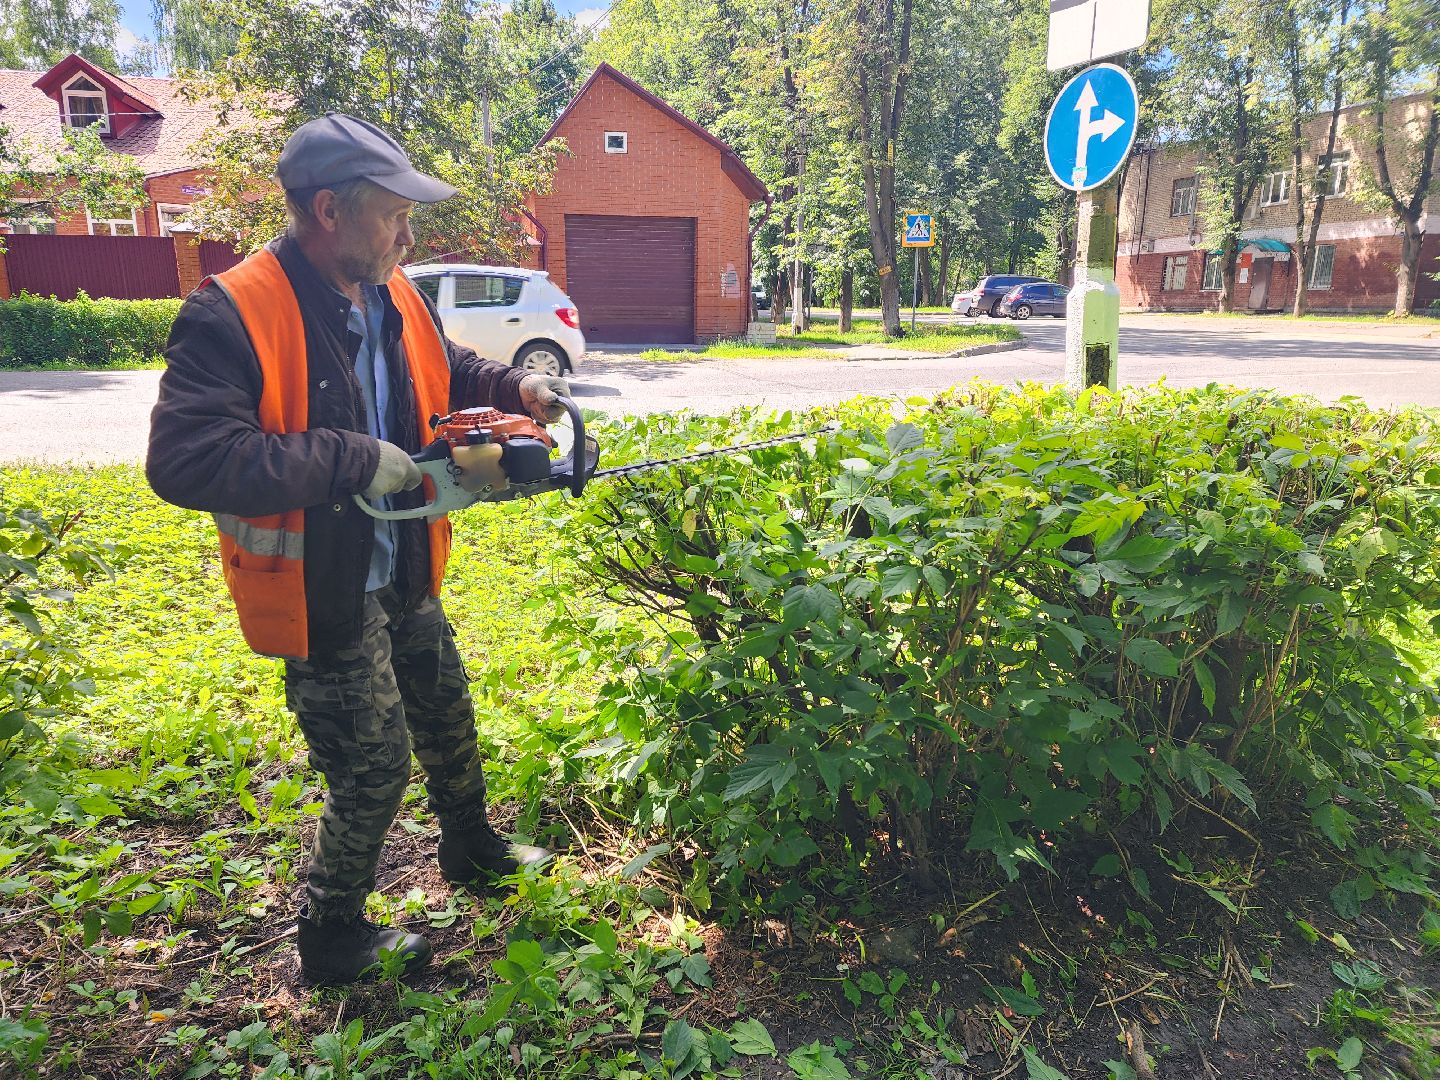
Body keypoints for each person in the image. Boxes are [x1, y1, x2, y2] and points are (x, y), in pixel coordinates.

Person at [147, 113, 563, 985]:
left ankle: (471, 849)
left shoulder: (389, 287)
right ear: (328, 209)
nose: (408, 234)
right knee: (373, 764)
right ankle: (331, 936)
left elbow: (440, 364)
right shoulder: (230, 311)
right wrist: (350, 458)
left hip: (403, 566)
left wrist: (513, 383)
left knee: (447, 713)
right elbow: (185, 459)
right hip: (320, 584)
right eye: (393, 215)